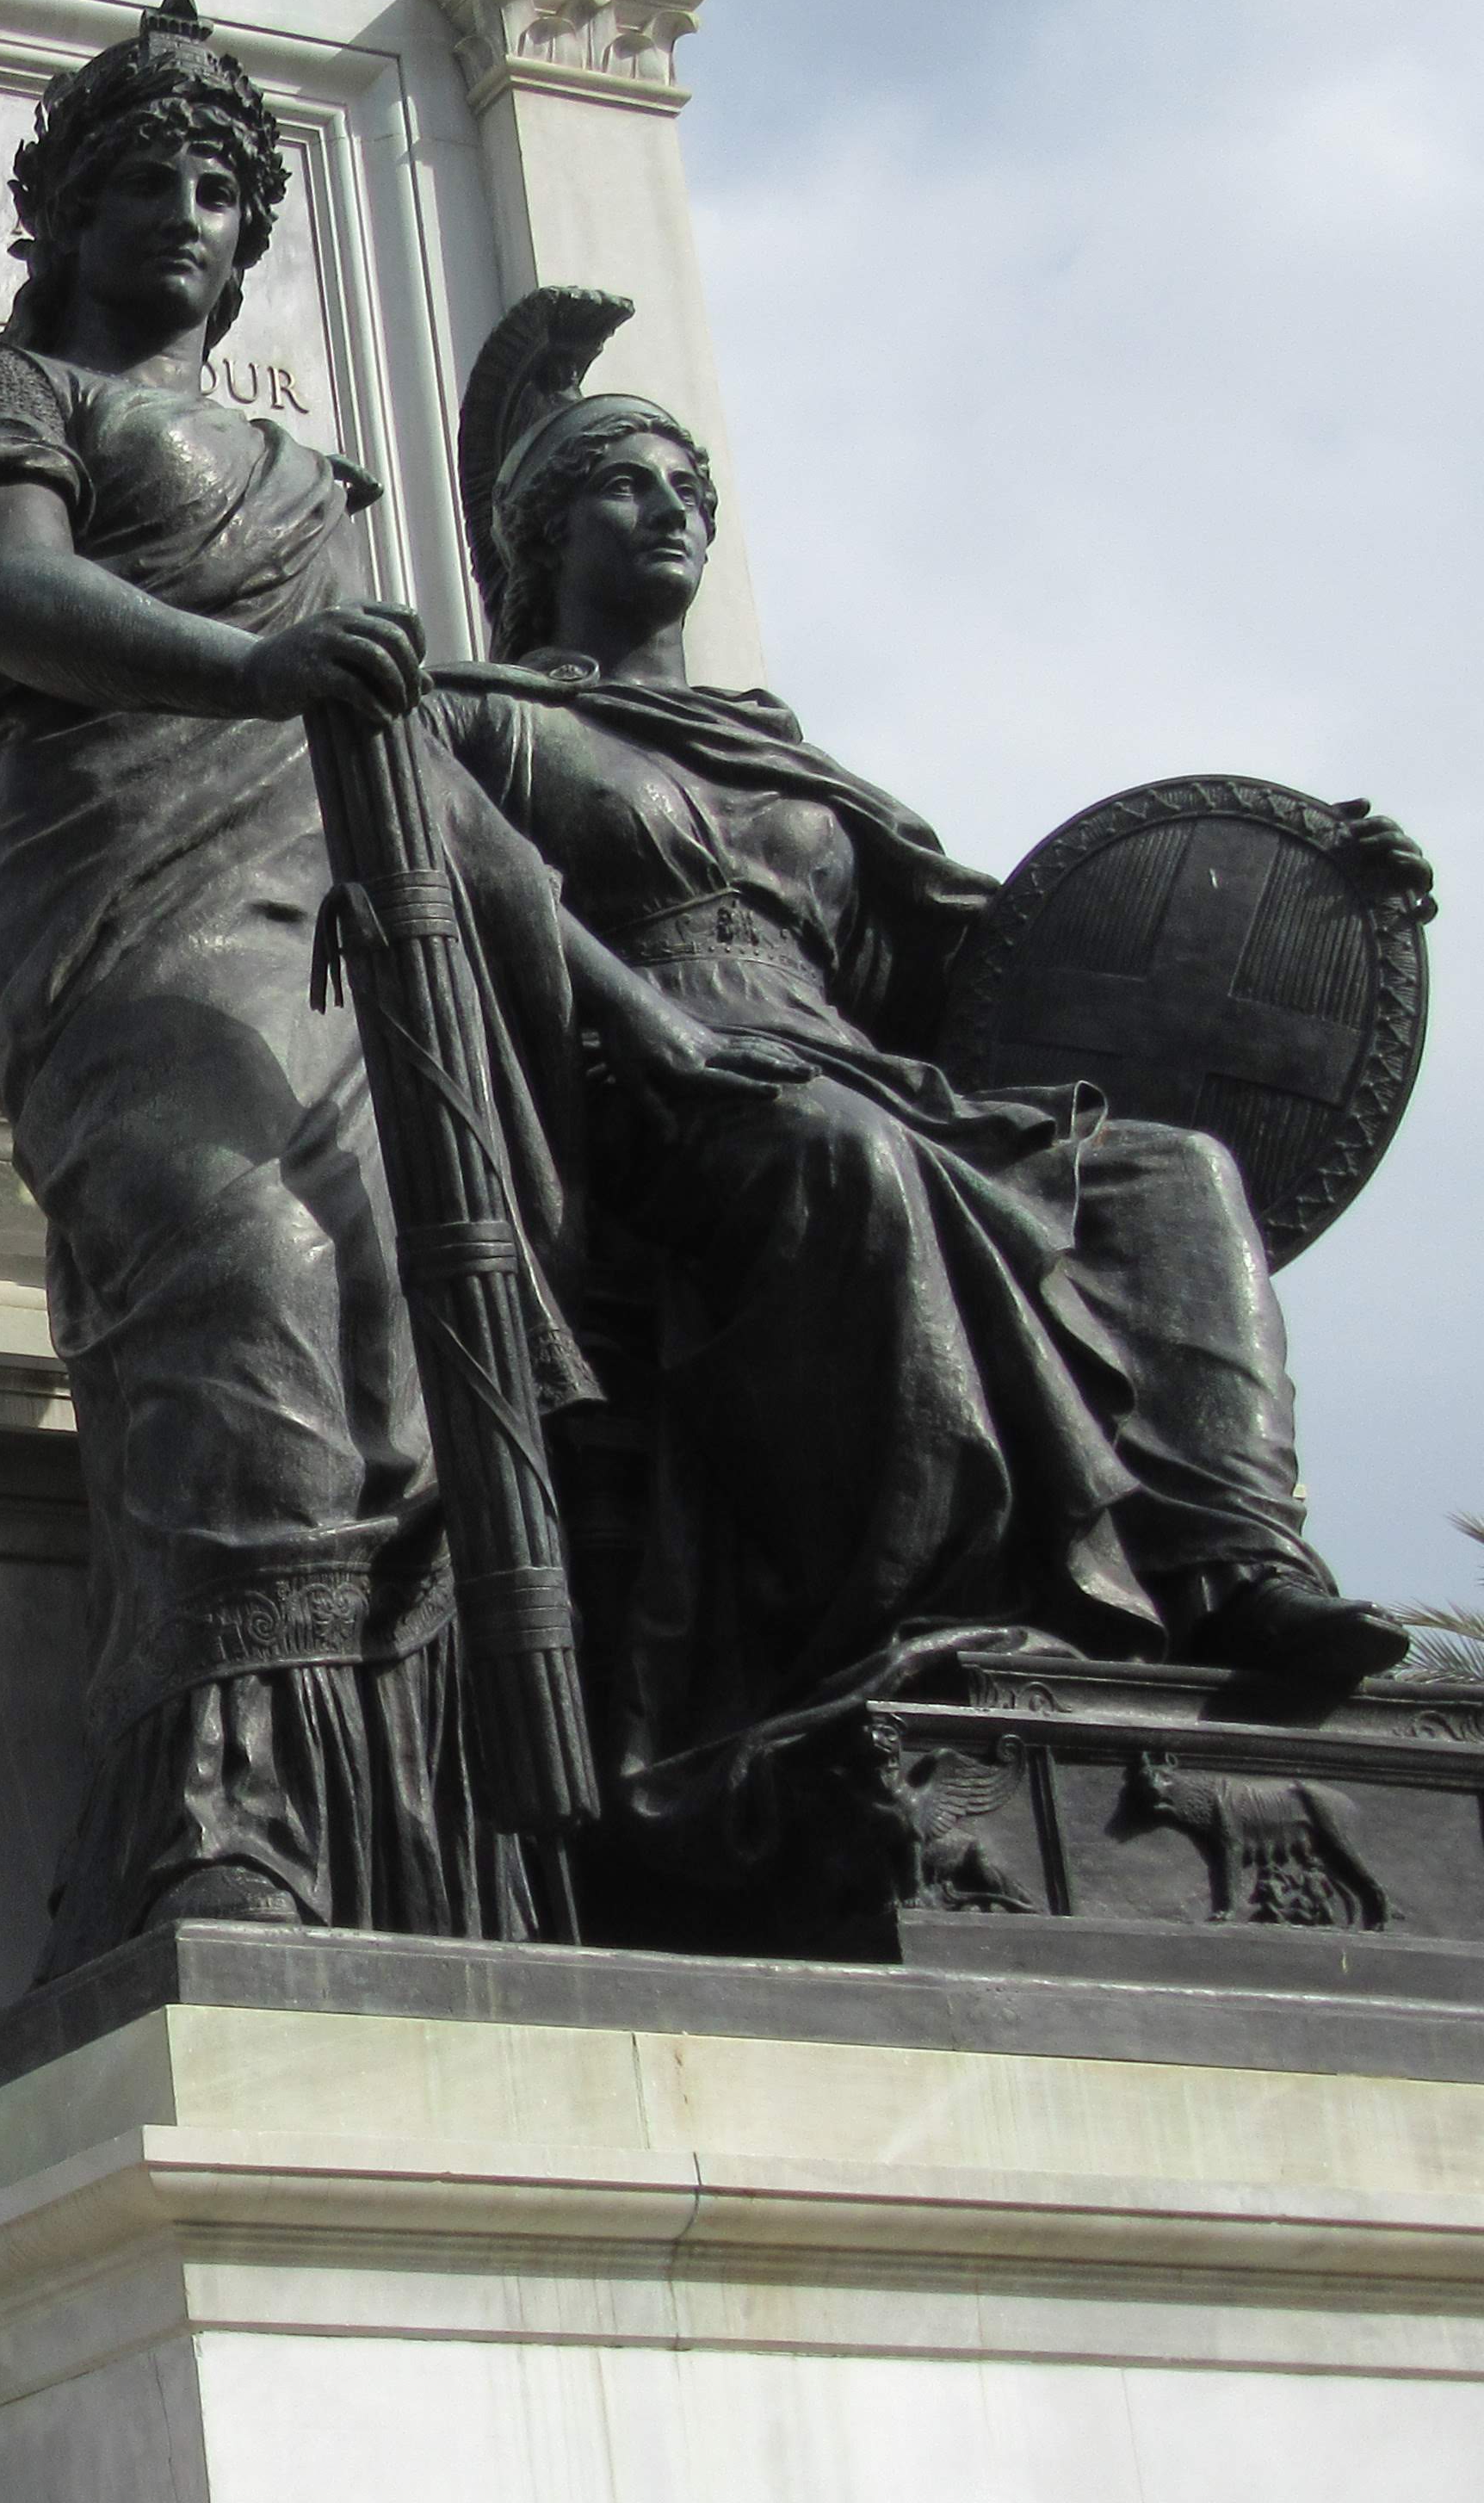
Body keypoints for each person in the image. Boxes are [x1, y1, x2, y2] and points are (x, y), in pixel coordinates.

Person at [422, 333, 1421, 1886]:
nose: (673, 509)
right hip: (637, 1098)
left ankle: (1234, 1565)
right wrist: (649, 1025)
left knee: (1167, 1174)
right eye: (626, 485)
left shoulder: (788, 759)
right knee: (850, 1162)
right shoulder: (478, 721)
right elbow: (461, 898)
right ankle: (920, 1618)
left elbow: (988, 965)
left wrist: (1311, 900)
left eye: (691, 487)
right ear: (543, 535)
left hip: (853, 1072)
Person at [0, 0, 565, 1970]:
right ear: (68, 214)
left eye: (218, 189)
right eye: (143, 180)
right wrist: (258, 670)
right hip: (121, 919)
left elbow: (434, 769)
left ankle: (405, 1853)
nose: (183, 210)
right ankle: (214, 1820)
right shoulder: (0, 390)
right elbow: (0, 596)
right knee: (228, 1282)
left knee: (394, 1351)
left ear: (253, 232)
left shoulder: (312, 482)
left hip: (337, 951)